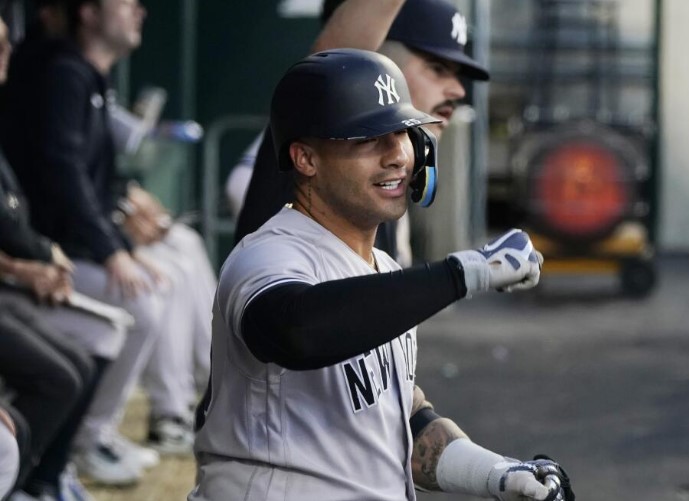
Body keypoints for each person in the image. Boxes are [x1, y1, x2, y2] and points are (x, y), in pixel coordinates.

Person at [190, 49, 572, 501]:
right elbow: (295, 330)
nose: (397, 156)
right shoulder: (270, 255)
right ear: (306, 159)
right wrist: (466, 273)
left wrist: (502, 475)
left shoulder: (384, 272)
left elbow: (400, 426)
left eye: (403, 133)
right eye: (367, 138)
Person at [0, 0, 170, 486]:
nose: (139, 10)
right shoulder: (63, 74)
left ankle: (74, 453)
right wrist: (107, 249)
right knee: (139, 307)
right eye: (125, 2)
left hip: (48, 259)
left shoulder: (88, 77)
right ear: (88, 12)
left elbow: (93, 180)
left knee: (163, 277)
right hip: (42, 265)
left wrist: (121, 231)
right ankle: (80, 447)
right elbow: (62, 173)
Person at [230, 0, 488, 266]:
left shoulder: (388, 175)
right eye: (437, 68)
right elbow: (334, 55)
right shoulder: (312, 133)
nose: (458, 91)